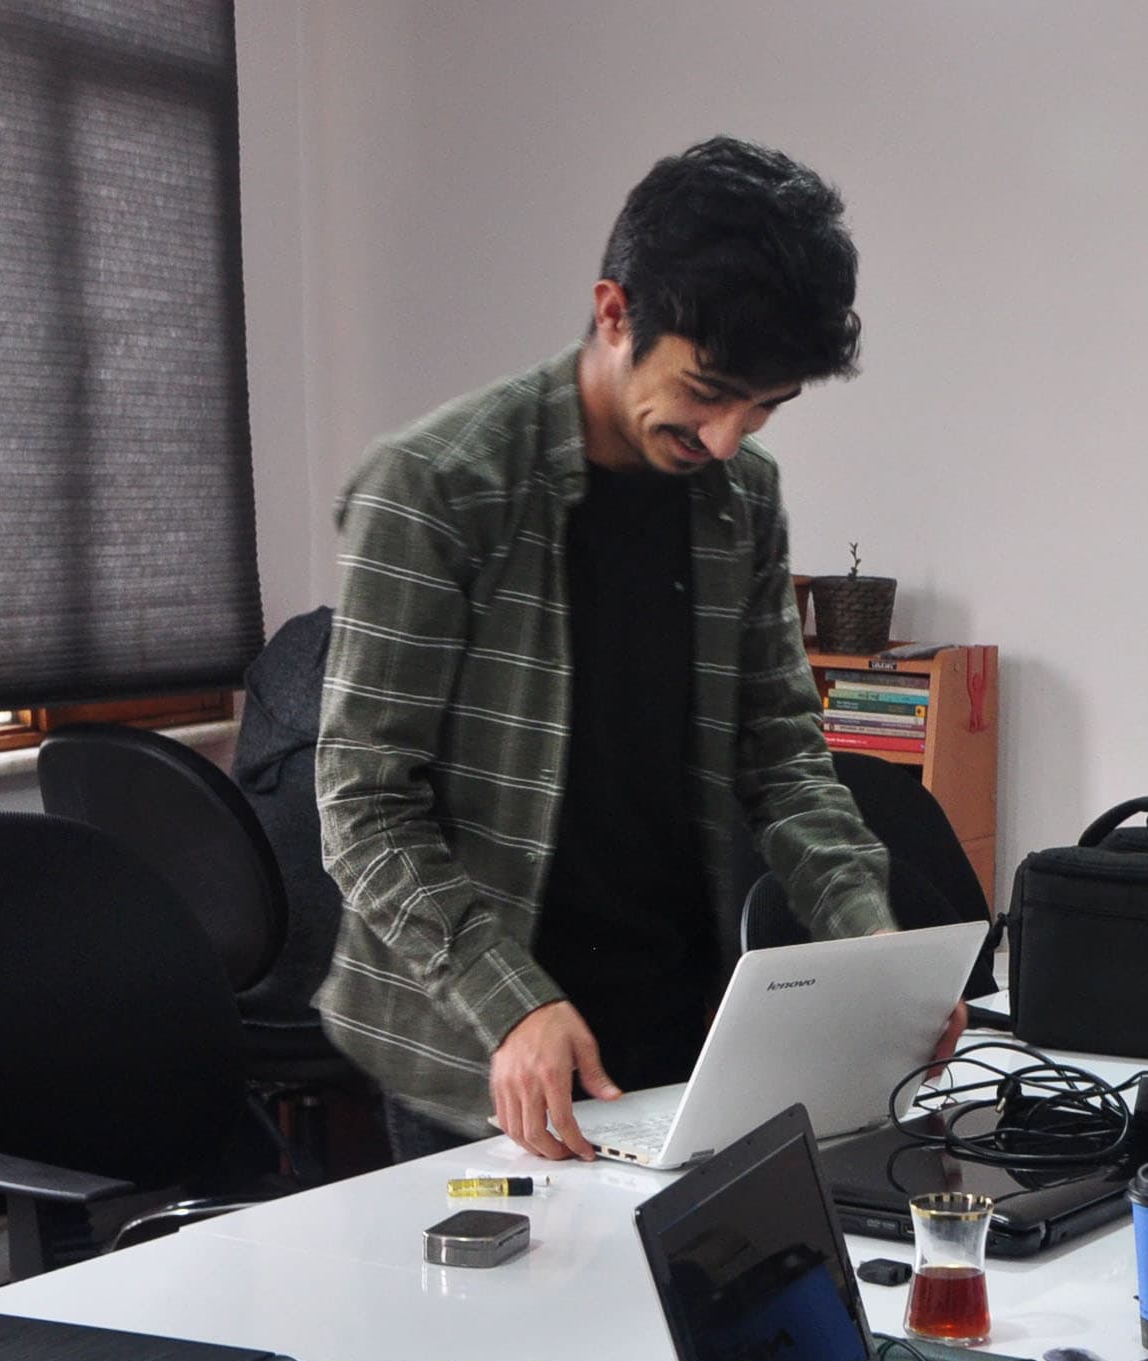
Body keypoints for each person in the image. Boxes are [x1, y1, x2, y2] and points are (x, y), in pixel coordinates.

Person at [316, 137, 953, 1164]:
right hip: (484, 1038)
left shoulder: (740, 499)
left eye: (766, 406)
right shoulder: (437, 486)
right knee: (517, 1323)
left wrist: (871, 951)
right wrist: (511, 1003)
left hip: (679, 1023)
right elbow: (363, 804)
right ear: (615, 314)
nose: (728, 439)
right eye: (708, 392)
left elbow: (782, 755)